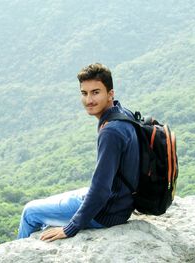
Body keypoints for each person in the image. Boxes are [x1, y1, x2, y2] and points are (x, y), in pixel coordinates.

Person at [17, 63, 140, 241]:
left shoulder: (111, 132)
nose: (89, 100)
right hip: (120, 202)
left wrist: (70, 228)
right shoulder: (123, 113)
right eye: (84, 93)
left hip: (106, 212)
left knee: (30, 212)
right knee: (56, 205)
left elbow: (101, 189)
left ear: (110, 94)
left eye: (96, 92)